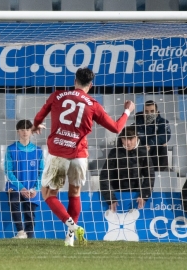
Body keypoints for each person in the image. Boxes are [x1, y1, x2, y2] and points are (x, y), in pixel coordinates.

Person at [32, 67, 135, 247]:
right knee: (75, 193)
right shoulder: (93, 104)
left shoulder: (57, 96)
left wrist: (36, 125)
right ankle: (69, 238)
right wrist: (127, 111)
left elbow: (39, 117)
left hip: (58, 153)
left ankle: (73, 227)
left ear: (74, 81)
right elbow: (117, 128)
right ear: (91, 85)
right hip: (79, 155)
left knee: (48, 193)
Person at [99, 126, 155, 212]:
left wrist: (144, 195)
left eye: (131, 139)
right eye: (125, 139)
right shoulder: (115, 152)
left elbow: (149, 175)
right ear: (121, 139)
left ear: (136, 138)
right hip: (116, 195)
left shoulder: (143, 152)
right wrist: (110, 198)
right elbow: (104, 176)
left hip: (136, 196)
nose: (128, 142)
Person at [5, 119, 43, 239]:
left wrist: (35, 188)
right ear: (18, 131)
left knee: (29, 214)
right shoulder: (11, 149)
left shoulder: (38, 151)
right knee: (14, 200)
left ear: (31, 131)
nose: (25, 132)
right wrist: (21, 188)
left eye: (27, 129)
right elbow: (8, 171)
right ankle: (20, 232)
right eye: (22, 130)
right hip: (15, 186)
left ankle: (30, 238)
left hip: (32, 188)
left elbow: (41, 172)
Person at [133, 100, 170, 171]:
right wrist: (142, 147)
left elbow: (165, 135)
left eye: (152, 111)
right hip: (140, 154)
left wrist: (150, 143)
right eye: (146, 111)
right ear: (143, 112)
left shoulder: (163, 122)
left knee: (163, 145)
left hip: (156, 154)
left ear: (157, 112)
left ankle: (159, 174)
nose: (149, 114)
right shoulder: (135, 125)